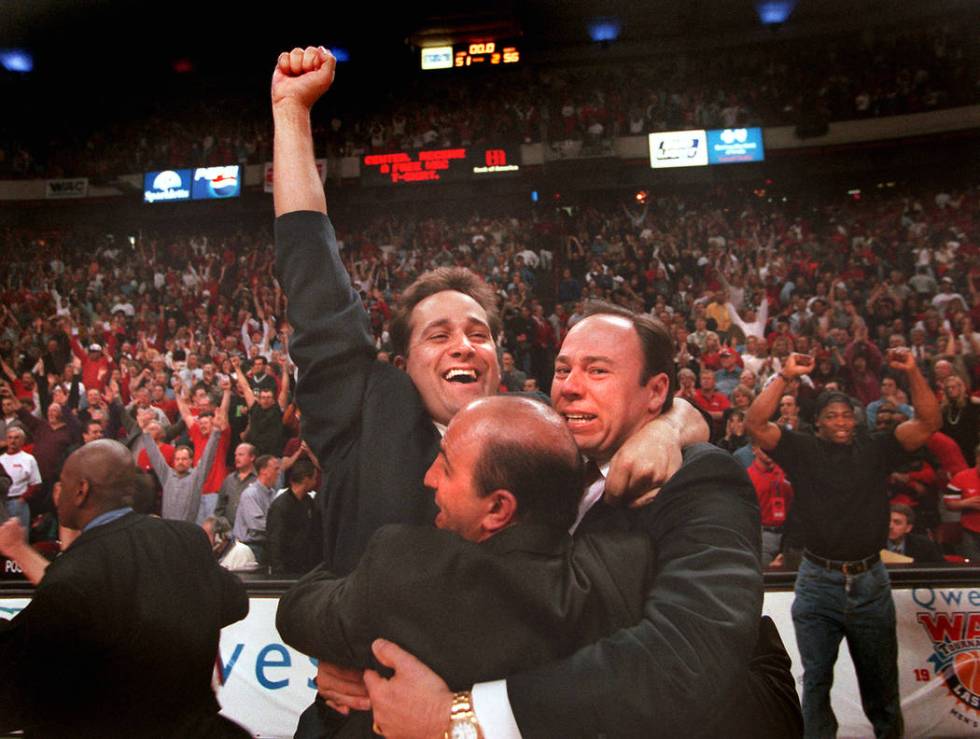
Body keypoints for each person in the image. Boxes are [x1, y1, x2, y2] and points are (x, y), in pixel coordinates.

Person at [273, 48, 798, 739]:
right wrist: (291, 115)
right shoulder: (365, 413)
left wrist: (671, 424)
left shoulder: (543, 435)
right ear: (397, 363)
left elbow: (638, 420)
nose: (463, 344)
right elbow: (314, 283)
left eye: (479, 332)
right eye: (437, 335)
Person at [278, 396, 653, 738]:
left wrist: (352, 654)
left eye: (445, 465)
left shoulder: (404, 571)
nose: (429, 478)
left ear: (497, 509)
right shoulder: (623, 571)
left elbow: (296, 610)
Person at [746, 349, 940, 738]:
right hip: (818, 581)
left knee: (881, 689)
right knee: (815, 686)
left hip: (870, 582)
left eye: (847, 415)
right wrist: (785, 376)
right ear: (816, 422)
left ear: (856, 420)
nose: (840, 421)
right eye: (831, 415)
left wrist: (914, 371)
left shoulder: (876, 448)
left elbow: (928, 422)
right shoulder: (801, 449)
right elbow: (755, 424)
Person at [0, 439, 249, 736]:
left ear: (81, 491)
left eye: (61, 484)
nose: (57, 493)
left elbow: (15, 688)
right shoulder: (187, 538)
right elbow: (235, 601)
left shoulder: (72, 573)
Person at [141, 415, 222, 523]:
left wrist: (216, 431)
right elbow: (154, 455)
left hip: (188, 528)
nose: (180, 462)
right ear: (174, 461)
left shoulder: (196, 476)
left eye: (184, 459)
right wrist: (145, 432)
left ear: (190, 461)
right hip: (169, 528)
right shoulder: (167, 475)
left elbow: (208, 456)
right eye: (177, 459)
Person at [266, 457, 318, 575]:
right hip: (287, 569)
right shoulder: (281, 506)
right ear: (306, 479)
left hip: (307, 567)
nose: (315, 482)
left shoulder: (309, 502)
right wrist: (278, 571)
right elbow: (275, 541)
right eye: (314, 478)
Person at [233, 453, 281, 565]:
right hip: (250, 548)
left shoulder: (272, 494)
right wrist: (280, 527)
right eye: (275, 469)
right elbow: (256, 525)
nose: (279, 472)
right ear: (264, 471)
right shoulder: (250, 494)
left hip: (265, 546)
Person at [0, 426, 41, 529]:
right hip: (1, 503)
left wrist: (22, 499)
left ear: (23, 441)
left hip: (17, 502)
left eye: (16, 438)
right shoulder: (0, 458)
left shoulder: (28, 459)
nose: (12, 441)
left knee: (21, 537)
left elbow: (36, 483)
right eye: (10, 438)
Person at [944, 442, 980, 560]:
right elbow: (948, 504)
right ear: (977, 458)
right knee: (972, 567)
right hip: (970, 532)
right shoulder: (961, 477)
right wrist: (967, 503)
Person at [215, 442, 257, 526]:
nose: (237, 458)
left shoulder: (258, 480)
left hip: (250, 531)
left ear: (252, 457)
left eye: (241, 455)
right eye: (235, 455)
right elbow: (219, 508)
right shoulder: (229, 480)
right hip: (228, 531)